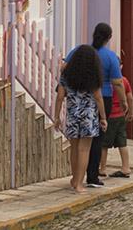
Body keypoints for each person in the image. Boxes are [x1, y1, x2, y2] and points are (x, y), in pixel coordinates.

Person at [65, 23, 127, 189]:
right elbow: (117, 82)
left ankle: (76, 178)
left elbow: (64, 66)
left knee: (76, 144)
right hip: (101, 99)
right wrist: (123, 101)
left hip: (76, 102)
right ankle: (92, 176)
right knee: (96, 140)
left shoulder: (79, 51)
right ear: (109, 38)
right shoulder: (110, 56)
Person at [54, 45, 107, 194]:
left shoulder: (66, 75)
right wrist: (103, 117)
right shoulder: (93, 76)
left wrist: (57, 117)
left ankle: (74, 179)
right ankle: (79, 183)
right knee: (84, 150)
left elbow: (59, 97)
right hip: (88, 117)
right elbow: (98, 98)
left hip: (72, 115)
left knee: (74, 150)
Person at [99, 61, 133, 179]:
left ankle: (102, 168)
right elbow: (130, 98)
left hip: (109, 116)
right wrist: (130, 113)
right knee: (122, 142)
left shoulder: (105, 82)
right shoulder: (124, 80)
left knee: (104, 144)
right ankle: (126, 167)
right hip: (121, 115)